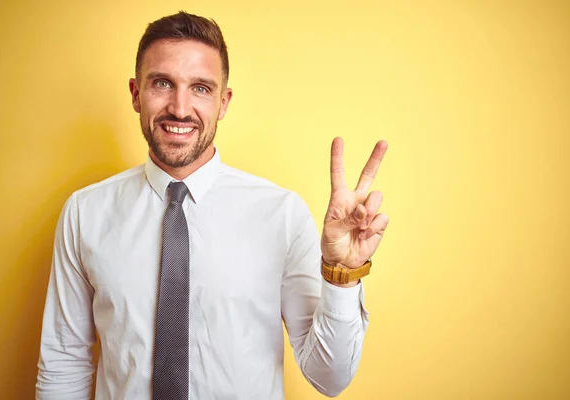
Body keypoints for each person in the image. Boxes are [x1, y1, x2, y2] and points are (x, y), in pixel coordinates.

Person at [36, 10, 389, 400]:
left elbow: (330, 377)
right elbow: (63, 363)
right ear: (136, 94)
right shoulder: (85, 213)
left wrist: (344, 272)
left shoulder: (282, 215)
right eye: (162, 84)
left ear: (223, 102)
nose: (180, 108)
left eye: (201, 88)